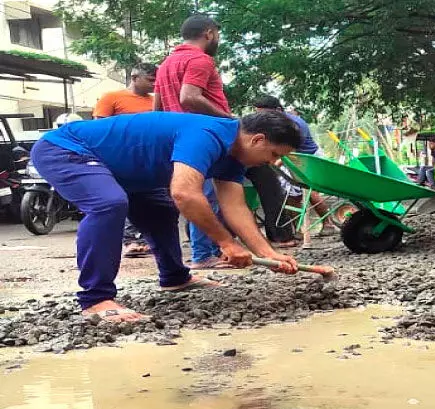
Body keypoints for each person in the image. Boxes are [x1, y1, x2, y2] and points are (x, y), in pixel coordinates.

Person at [29, 111, 302, 323]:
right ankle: (95, 299)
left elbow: (235, 207)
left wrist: (268, 254)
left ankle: (174, 277)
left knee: (160, 210)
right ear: (257, 140)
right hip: (67, 148)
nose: (272, 163)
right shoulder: (208, 135)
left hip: (123, 170)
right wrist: (226, 243)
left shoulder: (234, 157)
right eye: (274, 155)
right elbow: (185, 193)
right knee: (108, 204)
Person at [154, 14, 234, 269]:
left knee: (194, 193)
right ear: (209, 33)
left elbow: (157, 108)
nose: (217, 39)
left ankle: (207, 251)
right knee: (206, 195)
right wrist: (229, 119)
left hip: (176, 137)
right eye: (217, 34)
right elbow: (189, 97)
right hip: (202, 136)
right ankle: (203, 255)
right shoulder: (200, 59)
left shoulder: (166, 63)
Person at [94, 62, 158, 259]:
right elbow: (100, 128)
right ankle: (130, 240)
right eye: (150, 80)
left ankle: (149, 241)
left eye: (156, 80)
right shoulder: (112, 97)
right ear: (134, 77)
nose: (154, 84)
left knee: (153, 200)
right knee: (125, 198)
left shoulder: (155, 101)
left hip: (149, 158)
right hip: (120, 157)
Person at [253, 95, 336, 238]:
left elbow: (291, 149)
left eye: (265, 114)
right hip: (290, 158)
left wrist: (275, 165)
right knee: (291, 194)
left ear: (278, 110)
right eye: (258, 114)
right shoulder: (271, 126)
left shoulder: (294, 125)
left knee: (310, 190)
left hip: (308, 158)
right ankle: (300, 229)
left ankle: (328, 223)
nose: (261, 118)